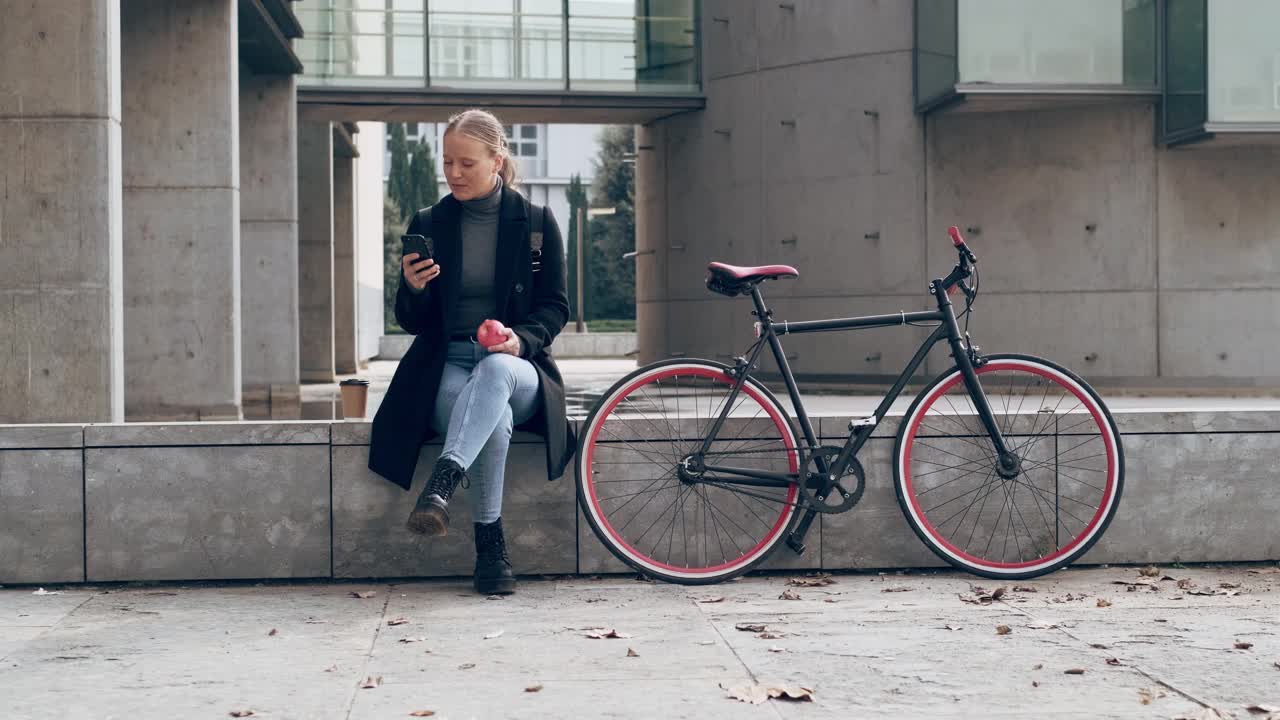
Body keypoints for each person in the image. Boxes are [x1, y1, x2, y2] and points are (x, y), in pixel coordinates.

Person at [368, 108, 575, 595]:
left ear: (497, 160)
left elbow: (555, 307)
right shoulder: (430, 223)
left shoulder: (538, 224)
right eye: (447, 163)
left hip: (516, 366)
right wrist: (413, 288)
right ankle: (490, 549)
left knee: (498, 372)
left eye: (467, 163)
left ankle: (444, 477)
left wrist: (519, 339)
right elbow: (413, 322)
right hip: (448, 366)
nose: (454, 173)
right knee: (493, 421)